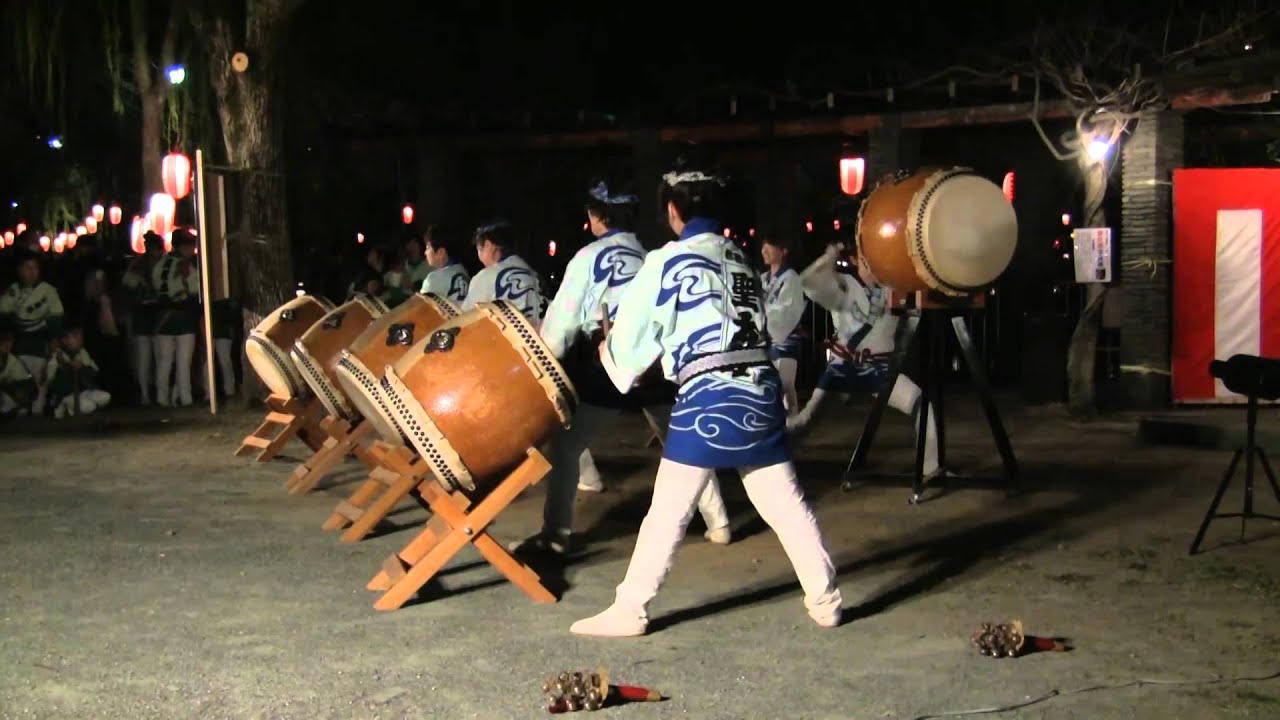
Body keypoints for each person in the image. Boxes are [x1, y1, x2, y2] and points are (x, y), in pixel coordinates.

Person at [570, 165, 842, 637]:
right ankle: (825, 600)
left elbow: (633, 341)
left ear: (673, 212)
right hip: (760, 389)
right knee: (785, 502)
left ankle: (630, 609)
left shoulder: (667, 261)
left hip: (708, 397)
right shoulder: (739, 258)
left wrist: (610, 352)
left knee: (669, 509)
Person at [510, 181, 731, 556]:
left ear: (598, 217)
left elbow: (562, 322)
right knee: (680, 442)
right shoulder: (649, 255)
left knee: (566, 449)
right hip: (655, 359)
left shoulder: (590, 256)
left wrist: (549, 356)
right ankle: (719, 521)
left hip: (610, 358)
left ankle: (556, 534)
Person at [786, 243, 940, 479]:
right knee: (805, 422)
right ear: (856, 260)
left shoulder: (895, 287)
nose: (870, 263)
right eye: (863, 258)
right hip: (844, 368)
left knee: (922, 405)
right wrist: (829, 258)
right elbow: (809, 282)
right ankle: (765, 455)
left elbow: (914, 316)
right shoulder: (844, 285)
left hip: (879, 369)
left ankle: (931, 468)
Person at [0, 253, 65, 412]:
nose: (31, 272)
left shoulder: (48, 291)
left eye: (34, 268)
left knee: (39, 393)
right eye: (27, 268)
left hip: (40, 346)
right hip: (18, 348)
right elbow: (3, 317)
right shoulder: (12, 291)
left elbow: (56, 319)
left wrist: (54, 341)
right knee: (20, 392)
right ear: (20, 270)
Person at [464, 221, 546, 325]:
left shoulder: (486, 277)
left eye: (479, 249)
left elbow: (465, 320)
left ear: (489, 246)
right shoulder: (536, 276)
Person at [760, 233, 806, 415]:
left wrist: (766, 312)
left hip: (784, 339)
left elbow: (789, 310)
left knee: (785, 385)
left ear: (783, 251)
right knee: (770, 386)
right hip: (766, 340)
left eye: (769, 246)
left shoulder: (791, 278)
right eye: (763, 246)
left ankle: (793, 420)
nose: (764, 250)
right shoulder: (762, 279)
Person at [153, 233, 200, 407]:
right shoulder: (185, 265)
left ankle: (161, 397)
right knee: (183, 362)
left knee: (164, 362)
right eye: (190, 246)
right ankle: (185, 398)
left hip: (163, 318)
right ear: (183, 247)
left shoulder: (160, 264)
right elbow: (195, 288)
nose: (192, 250)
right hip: (183, 317)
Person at [121, 232, 165, 404]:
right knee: (144, 358)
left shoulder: (164, 265)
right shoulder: (137, 266)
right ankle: (145, 393)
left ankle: (156, 393)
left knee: (159, 358)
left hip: (159, 315)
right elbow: (127, 289)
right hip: (142, 316)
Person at [44, 326, 112, 418]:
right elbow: (52, 382)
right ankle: (66, 408)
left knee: (105, 397)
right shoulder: (57, 356)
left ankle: (77, 408)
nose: (80, 340)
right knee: (89, 406)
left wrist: (82, 367)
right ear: (65, 340)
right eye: (75, 337)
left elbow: (95, 371)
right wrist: (68, 367)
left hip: (82, 393)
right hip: (65, 395)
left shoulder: (82, 352)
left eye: (80, 337)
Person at [419, 225, 471, 303]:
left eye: (428, 248)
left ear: (441, 252)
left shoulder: (433, 279)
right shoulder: (463, 271)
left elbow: (421, 308)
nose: (425, 252)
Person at [0, 326, 37, 416]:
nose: (7, 345)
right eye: (4, 341)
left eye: (10, 342)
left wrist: (19, 391)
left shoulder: (13, 360)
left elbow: (23, 380)